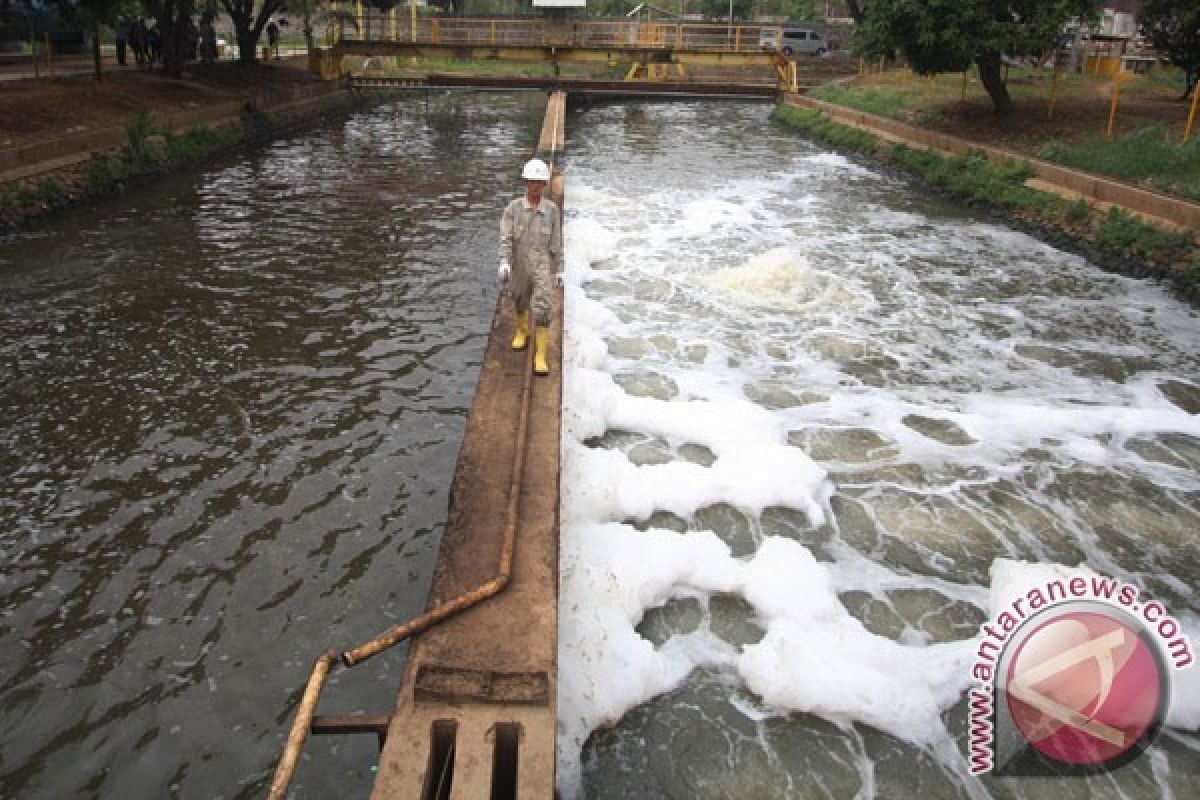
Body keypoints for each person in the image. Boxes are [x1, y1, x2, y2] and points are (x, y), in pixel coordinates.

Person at [498, 158, 562, 376]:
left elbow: (556, 241)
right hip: (519, 263)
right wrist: (504, 261)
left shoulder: (552, 210)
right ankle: (521, 330)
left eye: (539, 182)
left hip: (542, 264)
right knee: (519, 297)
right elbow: (506, 238)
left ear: (544, 184)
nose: (535, 186)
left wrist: (560, 268)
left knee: (543, 306)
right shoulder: (513, 209)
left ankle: (540, 355)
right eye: (531, 181)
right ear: (526, 183)